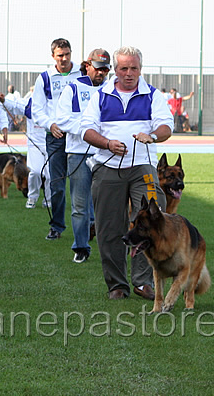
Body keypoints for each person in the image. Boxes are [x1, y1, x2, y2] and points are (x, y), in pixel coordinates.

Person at [82, 46, 174, 300]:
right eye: (124, 68)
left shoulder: (152, 95)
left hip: (142, 168)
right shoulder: (100, 95)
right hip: (107, 166)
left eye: (134, 68)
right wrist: (107, 143)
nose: (129, 73)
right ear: (115, 69)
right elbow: (86, 129)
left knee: (153, 218)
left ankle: (143, 281)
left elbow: (167, 125)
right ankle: (117, 285)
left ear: (140, 69)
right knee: (109, 228)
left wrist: (152, 135)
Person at [56, 48, 109, 264]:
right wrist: (89, 130)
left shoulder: (111, 90)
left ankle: (110, 247)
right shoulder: (72, 89)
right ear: (87, 65)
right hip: (78, 154)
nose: (101, 73)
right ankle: (80, 247)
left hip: (105, 153)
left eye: (105, 69)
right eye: (98, 68)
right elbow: (62, 120)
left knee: (107, 204)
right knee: (79, 204)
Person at [31, 38, 81, 240]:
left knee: (83, 183)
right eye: (60, 55)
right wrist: (50, 124)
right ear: (53, 56)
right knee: (57, 184)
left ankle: (91, 224)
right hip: (56, 136)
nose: (65, 58)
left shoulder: (82, 73)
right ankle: (57, 226)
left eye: (67, 54)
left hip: (79, 136)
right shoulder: (44, 78)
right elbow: (37, 109)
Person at [0, 94, 51, 210]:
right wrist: (3, 100)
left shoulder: (55, 102)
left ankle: (48, 199)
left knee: (50, 175)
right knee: (35, 172)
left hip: (51, 143)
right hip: (34, 143)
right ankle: (32, 197)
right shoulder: (30, 103)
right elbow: (14, 105)